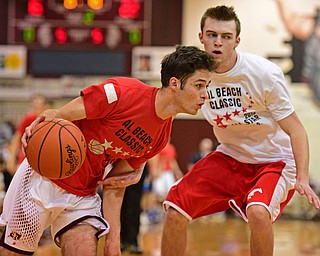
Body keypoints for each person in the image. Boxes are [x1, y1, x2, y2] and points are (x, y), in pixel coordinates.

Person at [0, 45, 216, 256]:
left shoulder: (159, 139)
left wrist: (113, 240)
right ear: (175, 83)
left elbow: (115, 185)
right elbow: (60, 115)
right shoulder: (122, 93)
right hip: (43, 178)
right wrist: (45, 120)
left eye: (206, 86)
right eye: (199, 85)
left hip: (83, 194)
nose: (205, 95)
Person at [161, 6, 320, 256]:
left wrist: (301, 178)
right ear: (201, 37)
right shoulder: (193, 75)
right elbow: (165, 110)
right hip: (230, 156)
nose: (218, 42)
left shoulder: (264, 74)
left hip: (273, 161)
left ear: (236, 41)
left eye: (225, 37)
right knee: (174, 209)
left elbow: (297, 131)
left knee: (257, 212)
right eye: (212, 35)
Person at [6, 94, 49, 176]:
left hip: (42, 162)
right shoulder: (29, 118)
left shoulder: (49, 120)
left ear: (45, 106)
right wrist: (11, 158)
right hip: (25, 160)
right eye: (34, 104)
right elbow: (16, 138)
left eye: (38, 103)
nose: (36, 106)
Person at [120, 164, 149, 254]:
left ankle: (134, 241)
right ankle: (123, 240)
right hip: (122, 166)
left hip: (139, 165)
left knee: (135, 205)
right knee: (123, 205)